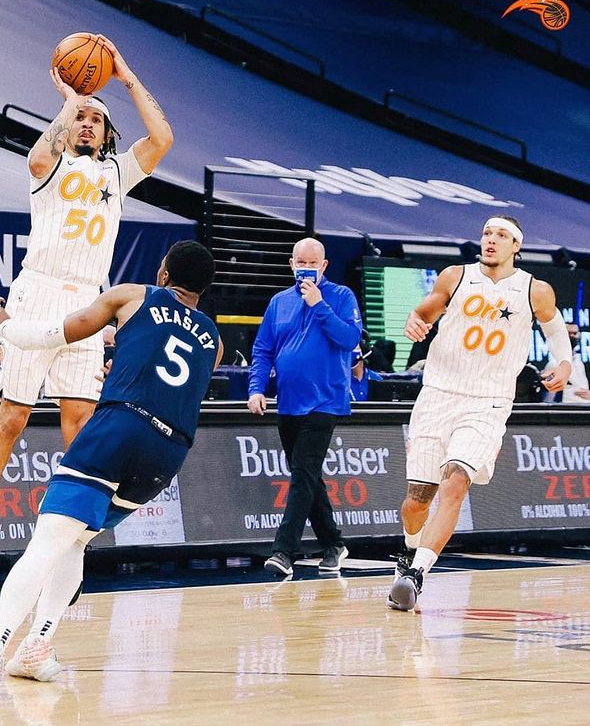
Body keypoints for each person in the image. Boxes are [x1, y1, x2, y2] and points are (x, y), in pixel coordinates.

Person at [0, 240, 222, 694]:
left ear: (164, 275)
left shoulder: (133, 295)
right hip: (167, 453)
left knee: (48, 541)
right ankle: (37, 647)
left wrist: (6, 324)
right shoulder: (215, 340)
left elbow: (56, 334)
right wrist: (124, 370)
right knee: (77, 539)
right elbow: (174, 382)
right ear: (203, 290)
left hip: (120, 427)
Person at [0, 34, 173, 588]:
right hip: (39, 291)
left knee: (79, 422)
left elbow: (163, 138)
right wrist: (69, 102)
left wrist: (125, 76)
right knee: (14, 417)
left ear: (107, 133)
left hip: (87, 302)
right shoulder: (52, 166)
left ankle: (67, 541)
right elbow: (36, 157)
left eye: (96, 119)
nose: (87, 123)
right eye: (81, 117)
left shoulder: (117, 174)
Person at [388, 216, 572, 611]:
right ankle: (409, 550)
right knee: (417, 502)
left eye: (501, 235)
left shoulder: (534, 289)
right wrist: (413, 322)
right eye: (487, 233)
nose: (491, 240)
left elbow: (556, 329)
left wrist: (565, 364)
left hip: (488, 401)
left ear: (516, 246)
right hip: (438, 395)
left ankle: (417, 574)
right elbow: (423, 313)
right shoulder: (456, 276)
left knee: (456, 482)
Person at [247, 237, 362, 577]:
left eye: (313, 263)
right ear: (291, 264)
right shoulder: (278, 302)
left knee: (301, 476)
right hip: (288, 402)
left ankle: (284, 551)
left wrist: (319, 305)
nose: (306, 268)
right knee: (307, 476)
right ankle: (334, 543)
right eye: (301, 262)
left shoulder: (341, 296)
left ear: (324, 266)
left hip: (326, 400)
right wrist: (256, 389)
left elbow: (350, 339)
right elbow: (263, 350)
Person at [553, 323, 590, 403]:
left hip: (585, 406)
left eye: (575, 333)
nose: (572, 336)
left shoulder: (580, 361)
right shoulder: (555, 362)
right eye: (569, 333)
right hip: (567, 407)